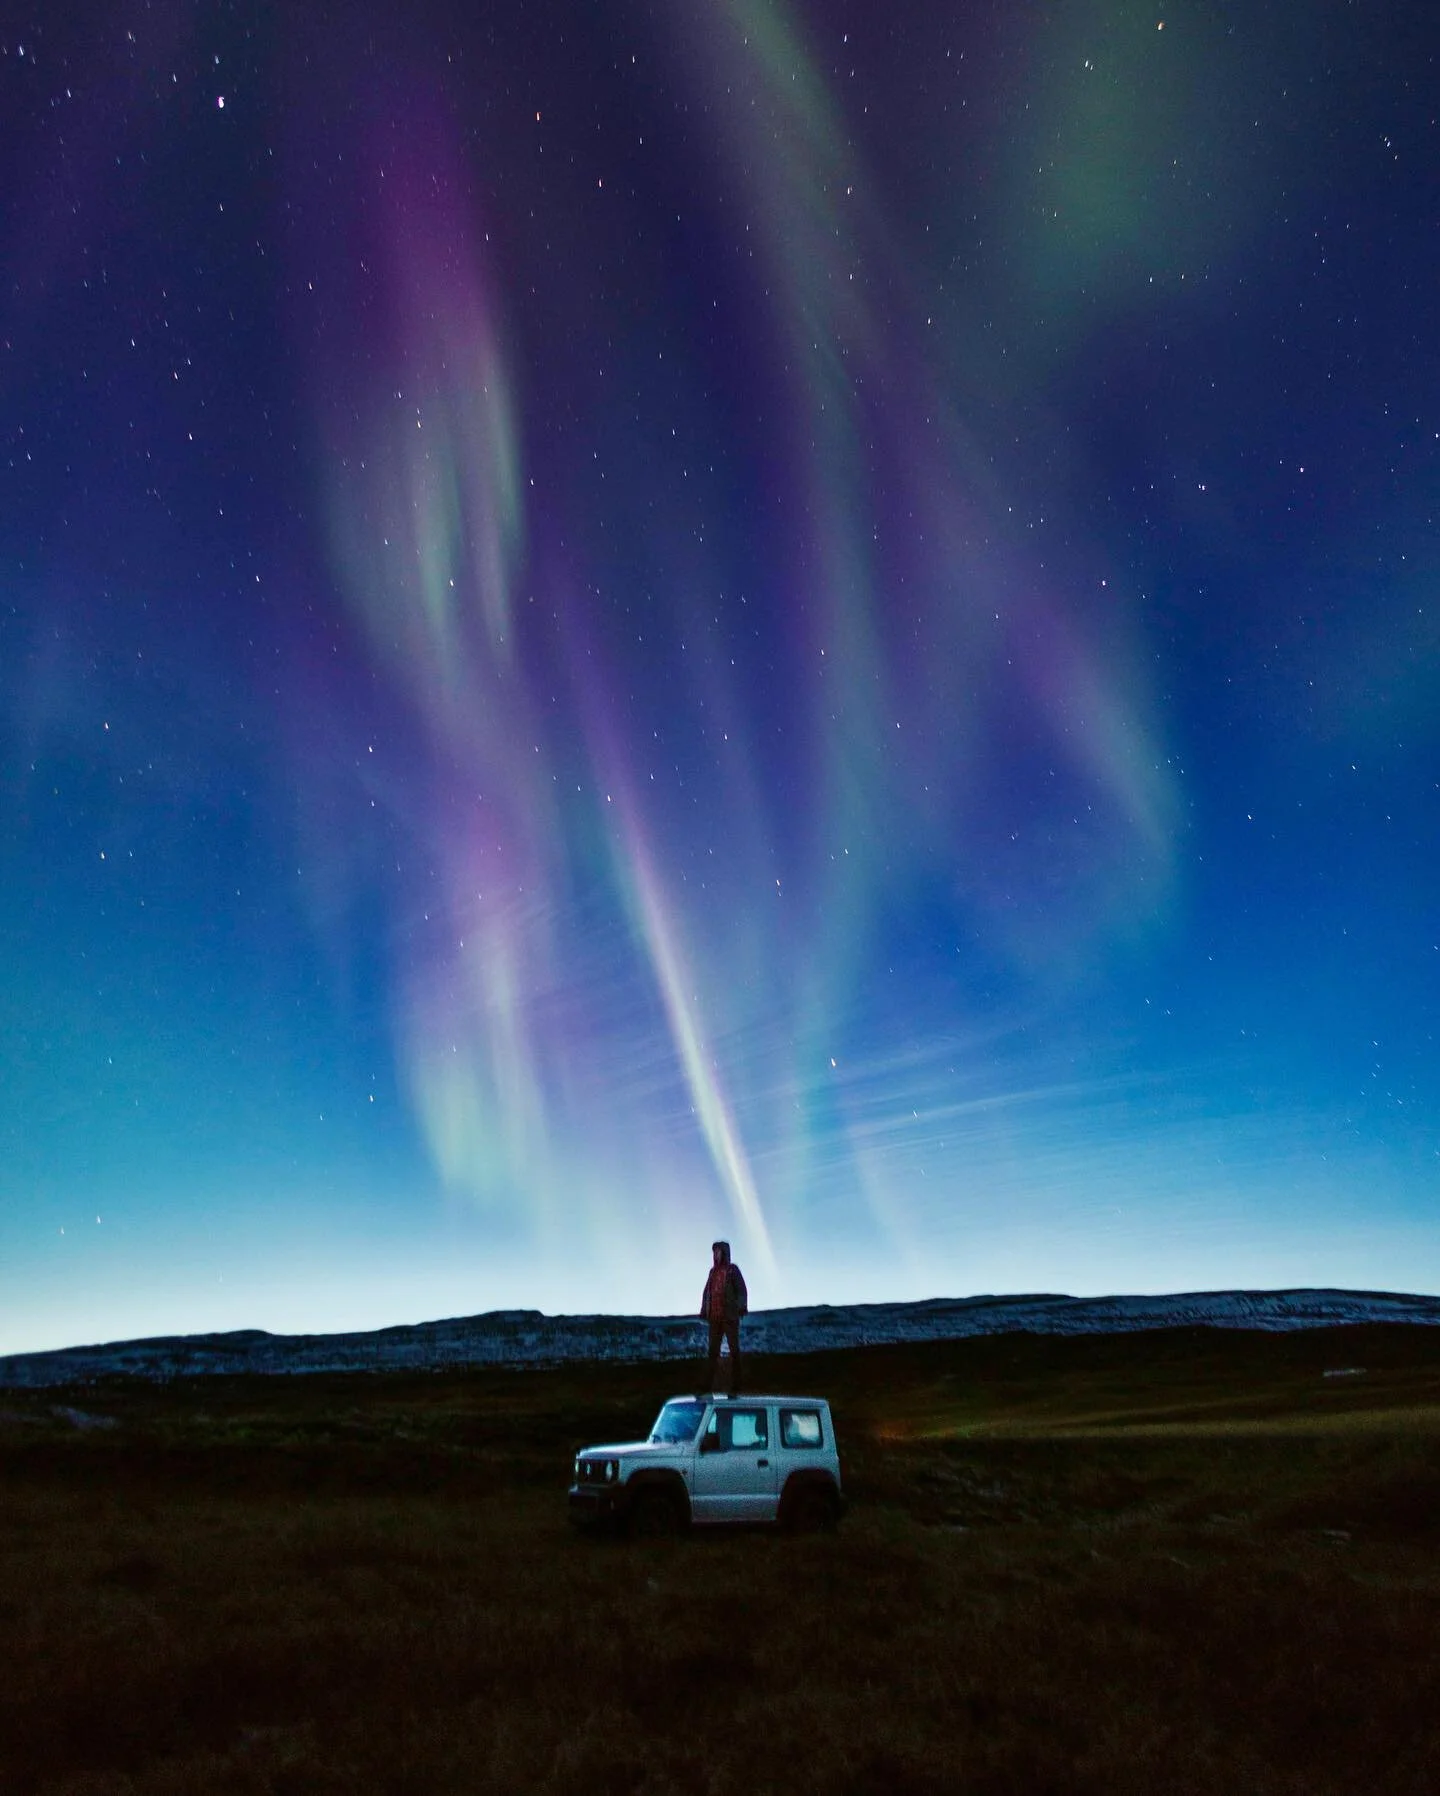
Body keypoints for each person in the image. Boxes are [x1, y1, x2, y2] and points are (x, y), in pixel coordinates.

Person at [699, 1240, 748, 1395]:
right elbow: (707, 1292)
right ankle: (706, 1387)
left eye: (718, 1251)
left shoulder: (732, 1270)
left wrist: (741, 1307)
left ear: (724, 1253)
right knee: (712, 1352)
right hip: (714, 1317)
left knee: (734, 1351)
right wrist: (704, 1309)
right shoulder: (712, 1272)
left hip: (729, 1316)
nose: (715, 1254)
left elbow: (741, 1289)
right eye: (714, 1252)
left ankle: (737, 1386)